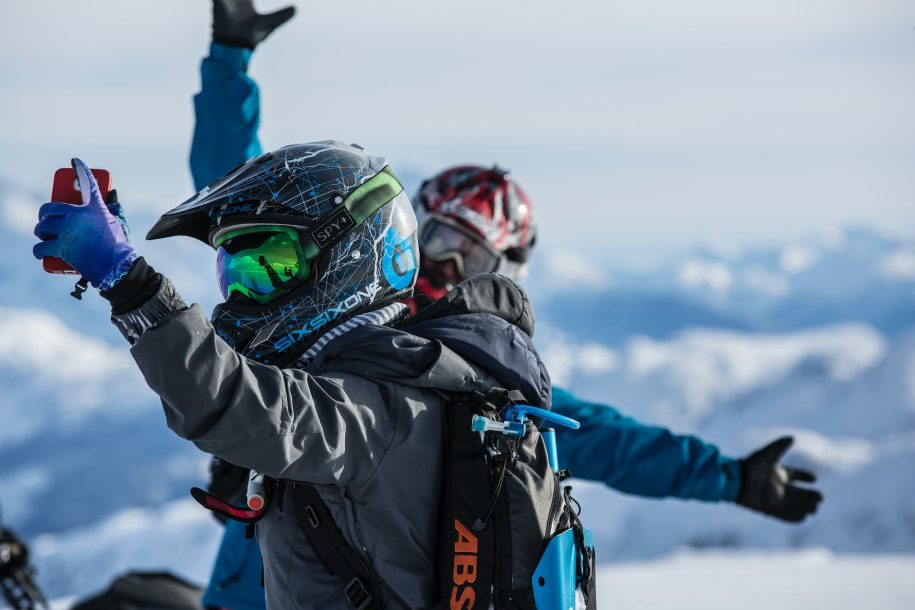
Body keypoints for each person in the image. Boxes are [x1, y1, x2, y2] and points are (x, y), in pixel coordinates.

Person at [188, 2, 823, 608]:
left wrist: (731, 478)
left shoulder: (478, 381)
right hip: (254, 580)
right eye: (439, 237)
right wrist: (230, 61)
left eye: (472, 255)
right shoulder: (329, 305)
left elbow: (612, 441)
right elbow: (247, 201)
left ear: (502, 273)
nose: (445, 265)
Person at [33, 139, 555, 609]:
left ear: (350, 258)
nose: (242, 295)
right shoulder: (387, 378)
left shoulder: (379, 405)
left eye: (271, 265)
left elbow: (227, 401)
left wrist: (128, 281)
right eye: (234, 270)